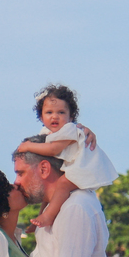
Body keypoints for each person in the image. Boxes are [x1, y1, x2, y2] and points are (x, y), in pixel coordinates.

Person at [15, 84, 117, 230]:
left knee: (62, 184)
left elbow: (52, 149)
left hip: (85, 168)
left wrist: (27, 146)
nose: (55, 116)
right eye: (49, 112)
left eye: (61, 112)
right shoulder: (47, 132)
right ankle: (42, 217)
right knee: (49, 192)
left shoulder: (69, 129)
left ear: (71, 116)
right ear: (41, 117)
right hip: (72, 166)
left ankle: (48, 216)